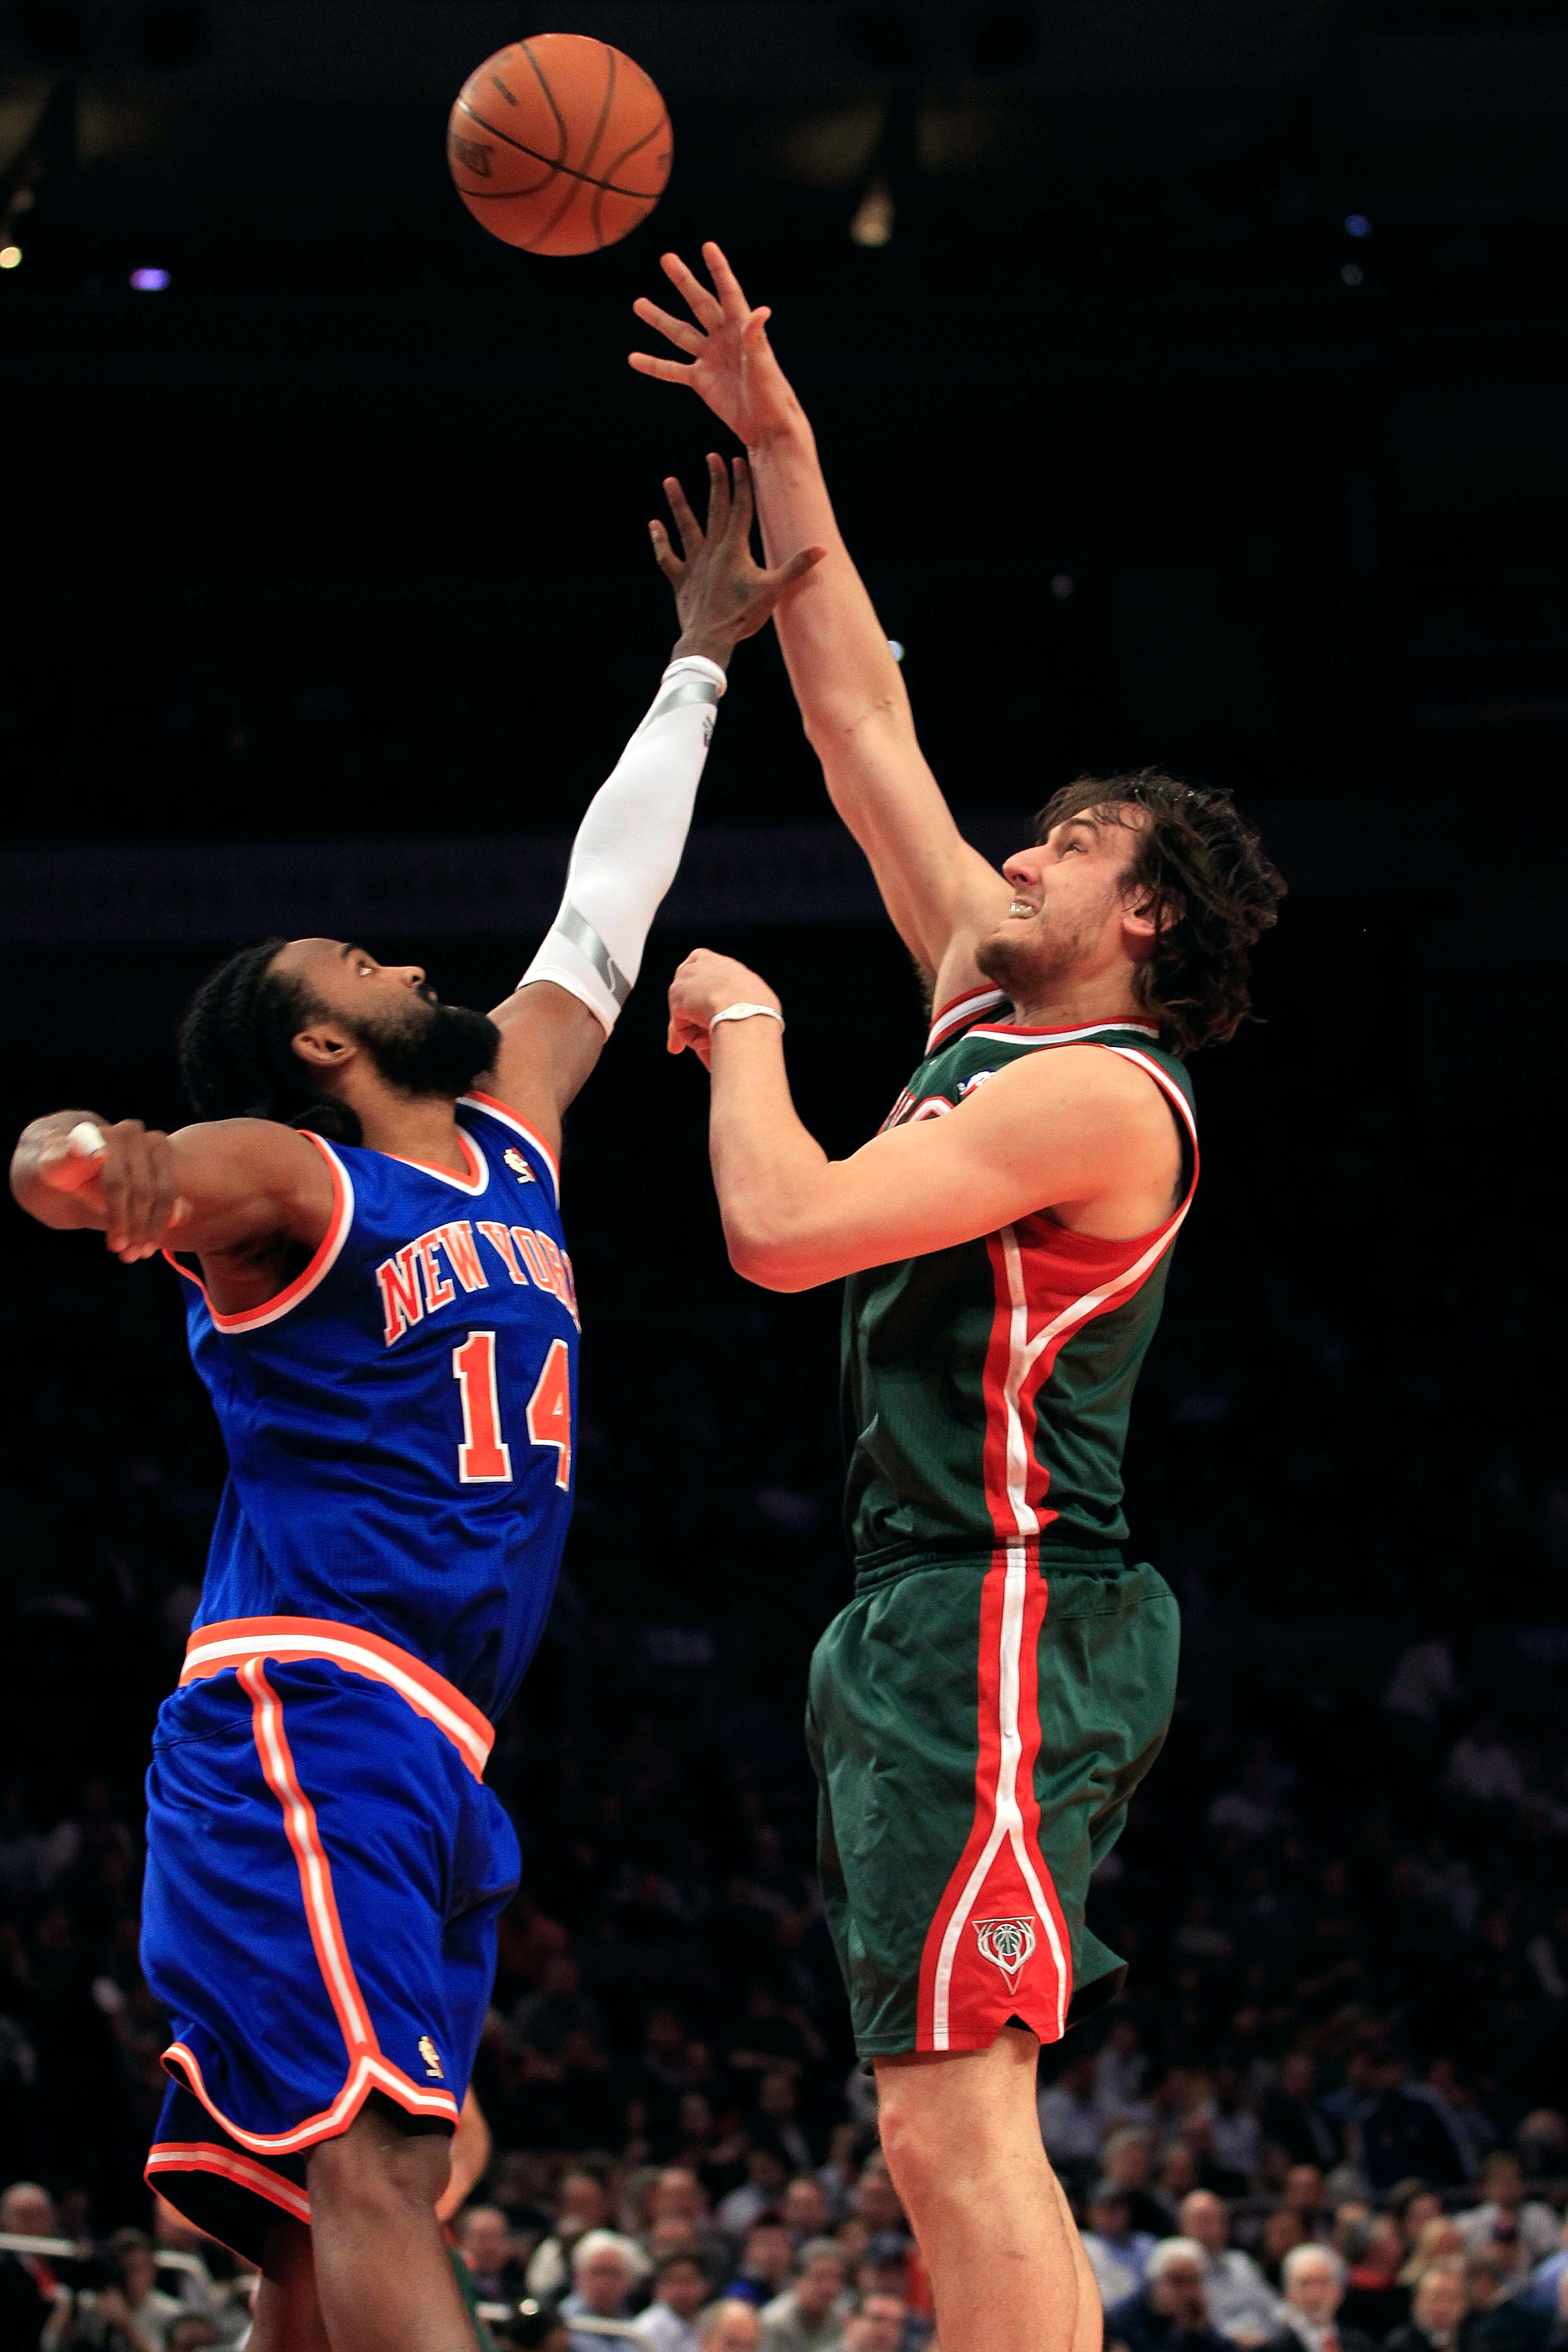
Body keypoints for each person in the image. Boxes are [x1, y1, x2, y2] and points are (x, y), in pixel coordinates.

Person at [8, 461, 817, 2352]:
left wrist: (698, 664)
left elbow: (600, 912)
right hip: (311, 1706)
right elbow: (106, 1159)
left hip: (433, 1736)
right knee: (374, 2170)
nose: (417, 966)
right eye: (368, 968)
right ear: (319, 1040)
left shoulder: (511, 1131)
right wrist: (91, 1162)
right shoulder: (299, 1179)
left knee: (320, 2227)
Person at [635, 244, 1283, 2352]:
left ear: (1143, 915)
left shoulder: (1098, 1095)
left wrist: (741, 1028)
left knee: (957, 2120)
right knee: (929, 2124)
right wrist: (777, 430)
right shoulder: (984, 1003)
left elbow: (783, 1229)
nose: (1015, 854)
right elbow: (857, 716)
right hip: (925, 1605)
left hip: (1010, 1603)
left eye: (1067, 846)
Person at [1178, 2191, 1282, 2345]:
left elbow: (1274, 2308)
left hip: (1267, 2342)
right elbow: (1197, 2327)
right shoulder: (1182, 2275)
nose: (1212, 2230)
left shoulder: (1241, 2262)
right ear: (1184, 2228)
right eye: (1203, 2222)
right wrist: (1235, 2340)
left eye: (1216, 2220)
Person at [1106, 2239, 1234, 2352]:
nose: (1187, 2291)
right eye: (1178, 2281)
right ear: (1156, 2281)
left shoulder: (1193, 2315)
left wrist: (1200, 2331)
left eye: (1194, 2282)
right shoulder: (1120, 2320)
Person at [1262, 2246, 1377, 2352]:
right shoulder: (1273, 2348)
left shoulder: (1361, 2344)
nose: (1315, 2294)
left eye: (1323, 2282)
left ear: (1339, 2291)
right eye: (1305, 2284)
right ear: (1288, 2293)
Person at [759, 2241, 850, 2352]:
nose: (829, 2288)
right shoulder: (773, 2322)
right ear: (798, 2280)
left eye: (837, 2279)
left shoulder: (845, 2318)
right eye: (820, 2278)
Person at [634, 2252, 714, 2352]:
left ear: (706, 2285)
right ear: (658, 2288)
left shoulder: (712, 2323)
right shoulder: (646, 2329)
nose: (682, 2289)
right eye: (673, 2282)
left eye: (688, 2281)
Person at [1388, 2268, 1470, 2352]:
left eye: (1453, 2299)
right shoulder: (1399, 2345)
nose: (1444, 2307)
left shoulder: (1473, 2341)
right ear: (1418, 2299)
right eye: (1436, 2297)